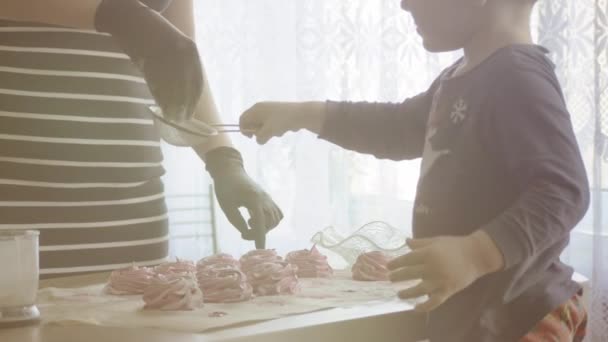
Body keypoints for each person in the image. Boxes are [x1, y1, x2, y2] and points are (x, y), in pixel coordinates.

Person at [239, 0, 589, 340]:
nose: (404, 4)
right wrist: (305, 115)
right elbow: (398, 128)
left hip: (518, 316)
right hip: (477, 316)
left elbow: (564, 190)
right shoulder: (460, 78)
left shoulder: (517, 76)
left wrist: (474, 253)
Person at [0, 0, 281, 277]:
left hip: (133, 216)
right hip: (15, 211)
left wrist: (224, 161)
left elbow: (181, 61)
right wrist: (116, 13)